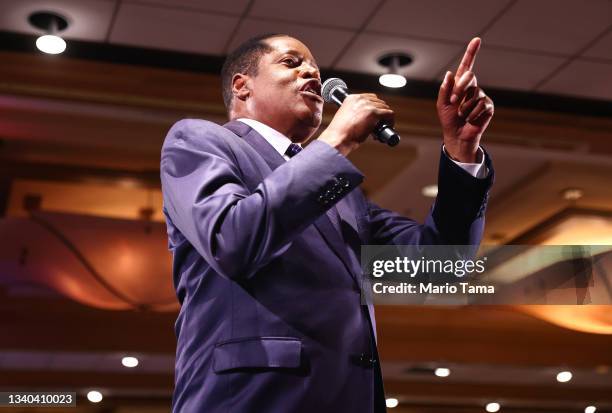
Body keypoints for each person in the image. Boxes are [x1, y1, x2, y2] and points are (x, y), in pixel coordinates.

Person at [160, 33, 495, 413]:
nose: (312, 74)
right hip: (251, 400)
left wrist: (461, 148)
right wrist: (337, 140)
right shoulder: (199, 140)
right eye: (291, 62)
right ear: (242, 85)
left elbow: (442, 264)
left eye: (316, 70)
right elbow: (232, 240)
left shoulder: (343, 194)